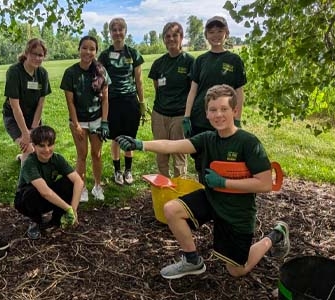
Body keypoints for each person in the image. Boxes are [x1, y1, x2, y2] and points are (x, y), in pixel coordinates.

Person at [116, 84, 290, 278]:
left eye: (224, 109)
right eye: (213, 110)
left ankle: (275, 235)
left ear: (235, 110)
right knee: (171, 209)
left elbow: (265, 184)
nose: (218, 115)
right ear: (206, 114)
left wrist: (224, 183)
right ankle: (192, 261)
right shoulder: (207, 139)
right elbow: (172, 146)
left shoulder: (248, 143)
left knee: (236, 270)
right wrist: (140, 144)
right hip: (211, 198)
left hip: (237, 211)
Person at [183, 16, 247, 181]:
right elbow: (193, 91)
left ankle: (222, 194)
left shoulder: (234, 60)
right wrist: (187, 117)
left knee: (223, 160)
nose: (216, 35)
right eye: (211, 32)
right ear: (206, 35)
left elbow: (239, 92)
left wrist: (237, 118)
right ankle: (203, 191)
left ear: (227, 33)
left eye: (220, 31)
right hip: (201, 118)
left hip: (225, 118)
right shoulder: (201, 60)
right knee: (201, 160)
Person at [60, 36, 111, 202]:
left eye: (92, 49)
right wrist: (76, 125)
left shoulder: (101, 71)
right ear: (79, 49)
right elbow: (70, 102)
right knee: (82, 155)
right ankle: (81, 188)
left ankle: (97, 186)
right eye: (84, 48)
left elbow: (105, 99)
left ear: (96, 52)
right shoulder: (70, 73)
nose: (88, 52)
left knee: (97, 154)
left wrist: (104, 122)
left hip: (96, 119)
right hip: (78, 121)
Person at [14, 126, 84, 239]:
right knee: (31, 193)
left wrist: (74, 209)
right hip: (26, 201)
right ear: (34, 146)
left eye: (50, 145)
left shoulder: (57, 159)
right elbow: (44, 192)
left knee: (69, 183)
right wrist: (68, 208)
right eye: (42, 146)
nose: (47, 150)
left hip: (47, 197)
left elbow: (79, 182)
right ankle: (35, 222)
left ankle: (56, 220)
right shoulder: (29, 163)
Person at [98, 17, 145, 186]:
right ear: (110, 33)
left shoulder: (133, 53)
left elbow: (139, 81)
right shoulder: (104, 55)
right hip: (112, 102)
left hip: (130, 100)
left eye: (120, 29)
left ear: (125, 31)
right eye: (114, 30)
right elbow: (100, 81)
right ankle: (117, 171)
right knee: (116, 138)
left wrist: (142, 103)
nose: (117, 33)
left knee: (129, 137)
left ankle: (128, 170)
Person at [148, 22, 194, 178]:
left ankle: (180, 189)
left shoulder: (189, 61)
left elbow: (193, 89)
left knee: (179, 154)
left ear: (181, 37)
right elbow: (157, 88)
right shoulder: (158, 63)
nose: (171, 39)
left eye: (175, 35)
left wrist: (188, 115)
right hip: (159, 114)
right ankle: (164, 188)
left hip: (180, 115)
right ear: (163, 40)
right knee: (161, 153)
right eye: (167, 36)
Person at [3, 38, 52, 163]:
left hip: (33, 117)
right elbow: (15, 107)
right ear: (26, 53)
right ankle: (25, 182)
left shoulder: (43, 74)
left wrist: (34, 129)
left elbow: (41, 104)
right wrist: (25, 134)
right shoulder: (14, 72)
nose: (37, 58)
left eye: (40, 55)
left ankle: (23, 159)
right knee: (29, 149)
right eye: (34, 54)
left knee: (40, 151)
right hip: (14, 117)